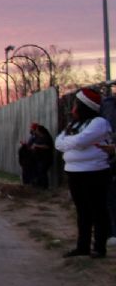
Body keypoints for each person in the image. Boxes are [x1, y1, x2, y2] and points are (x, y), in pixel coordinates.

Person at [56, 88, 112, 258]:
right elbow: (59, 142)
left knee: (98, 210)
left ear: (83, 106)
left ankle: (99, 247)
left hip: (94, 172)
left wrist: (70, 142)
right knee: (82, 211)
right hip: (74, 172)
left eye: (75, 105)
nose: (72, 108)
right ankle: (83, 246)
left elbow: (81, 141)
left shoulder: (99, 122)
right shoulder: (74, 124)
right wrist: (72, 143)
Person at [30, 124, 54, 189]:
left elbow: (47, 146)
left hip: (46, 159)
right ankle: (39, 186)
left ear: (41, 131)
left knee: (42, 172)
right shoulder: (39, 137)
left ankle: (45, 187)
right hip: (39, 158)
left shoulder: (46, 137)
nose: (36, 131)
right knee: (39, 172)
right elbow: (34, 144)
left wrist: (36, 146)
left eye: (37, 130)